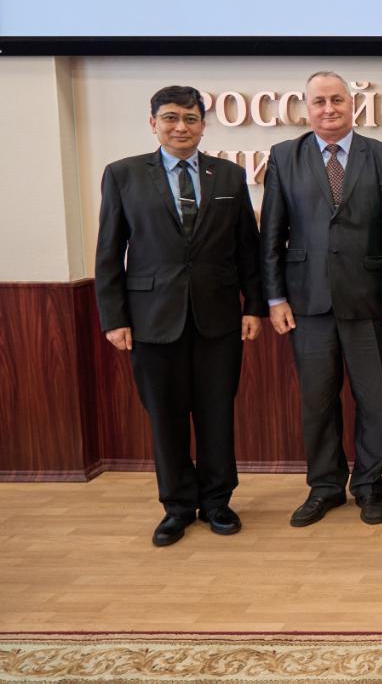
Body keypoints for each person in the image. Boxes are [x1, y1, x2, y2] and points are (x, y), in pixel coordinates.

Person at [95, 85, 265, 546]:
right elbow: (109, 251)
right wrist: (114, 318)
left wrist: (254, 306)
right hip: (151, 319)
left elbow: (247, 249)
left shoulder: (228, 176)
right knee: (165, 417)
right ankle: (176, 506)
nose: (180, 127)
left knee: (216, 413)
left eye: (190, 119)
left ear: (203, 125)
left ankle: (217, 502)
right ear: (153, 124)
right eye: (170, 118)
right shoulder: (124, 175)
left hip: (218, 317)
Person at [260, 71, 382, 527]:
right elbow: (272, 233)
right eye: (320, 101)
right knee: (317, 401)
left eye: (337, 100)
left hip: (370, 304)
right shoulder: (284, 156)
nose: (329, 109)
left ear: (352, 104)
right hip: (307, 303)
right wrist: (274, 297)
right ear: (307, 108)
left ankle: (369, 486)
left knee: (374, 401)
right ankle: (325, 487)